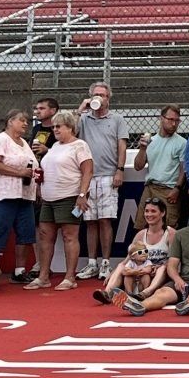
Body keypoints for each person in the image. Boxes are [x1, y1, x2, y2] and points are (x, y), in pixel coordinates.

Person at [31, 109, 93, 290]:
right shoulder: (55, 147)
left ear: (70, 127)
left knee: (69, 236)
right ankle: (43, 277)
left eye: (59, 126)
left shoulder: (80, 145)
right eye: (54, 127)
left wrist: (82, 195)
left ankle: (70, 277)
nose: (55, 130)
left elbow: (88, 171)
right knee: (45, 236)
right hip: (48, 199)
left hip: (69, 196)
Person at [75, 83, 128, 281]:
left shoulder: (117, 119)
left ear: (108, 99)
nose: (100, 98)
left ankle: (106, 263)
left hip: (108, 175)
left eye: (103, 95)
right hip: (87, 177)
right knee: (90, 221)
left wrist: (120, 170)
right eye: (96, 95)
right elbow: (69, 131)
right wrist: (81, 109)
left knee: (105, 220)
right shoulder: (83, 119)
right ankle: (92, 263)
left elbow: (122, 146)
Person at [0, 108, 39, 284]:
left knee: (26, 234)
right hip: (2, 195)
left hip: (24, 195)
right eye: (22, 120)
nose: (26, 123)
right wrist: (19, 172)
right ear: (10, 121)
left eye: (27, 121)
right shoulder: (0, 139)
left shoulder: (24, 143)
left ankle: (20, 271)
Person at [96, 195, 172, 306]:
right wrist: (114, 273)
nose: (149, 214)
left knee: (163, 268)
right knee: (122, 266)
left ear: (163, 213)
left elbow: (174, 259)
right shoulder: (141, 234)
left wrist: (160, 266)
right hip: (139, 272)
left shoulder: (170, 233)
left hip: (159, 274)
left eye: (153, 211)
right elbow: (128, 259)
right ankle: (107, 293)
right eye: (146, 211)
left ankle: (146, 293)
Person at [134, 105, 187, 225]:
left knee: (168, 227)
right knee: (141, 226)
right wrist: (142, 149)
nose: (174, 124)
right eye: (170, 119)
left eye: (177, 120)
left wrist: (177, 189)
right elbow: (138, 166)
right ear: (161, 118)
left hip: (168, 190)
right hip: (150, 188)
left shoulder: (182, 143)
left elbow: (184, 169)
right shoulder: (151, 141)